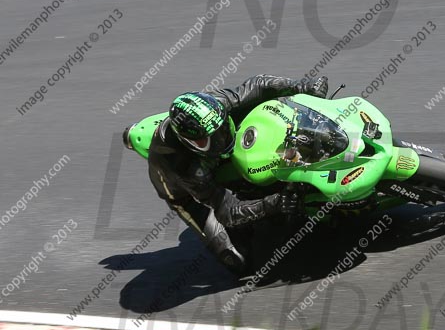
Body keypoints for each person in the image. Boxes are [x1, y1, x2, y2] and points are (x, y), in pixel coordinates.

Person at [137, 75, 328, 275]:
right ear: (189, 143)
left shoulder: (215, 107)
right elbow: (227, 212)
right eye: (209, 140)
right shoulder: (183, 166)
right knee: (238, 260)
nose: (221, 139)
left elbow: (259, 84)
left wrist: (302, 86)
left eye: (222, 130)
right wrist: (274, 203)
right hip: (189, 195)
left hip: (211, 161)